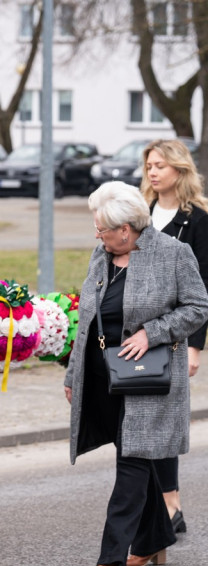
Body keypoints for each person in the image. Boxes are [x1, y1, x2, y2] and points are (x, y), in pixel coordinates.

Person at [64, 181, 208, 566]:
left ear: (127, 228)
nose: (98, 236)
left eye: (104, 230)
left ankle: (112, 560)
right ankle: (156, 536)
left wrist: (153, 332)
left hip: (150, 380)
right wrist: (74, 373)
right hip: (104, 376)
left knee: (131, 462)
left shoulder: (173, 254)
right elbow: (88, 321)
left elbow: (198, 307)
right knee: (134, 455)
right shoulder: (102, 255)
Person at [140, 139, 208, 534]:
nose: (152, 172)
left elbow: (204, 285)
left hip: (178, 333)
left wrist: (197, 344)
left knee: (164, 419)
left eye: (160, 165)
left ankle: (171, 502)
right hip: (140, 333)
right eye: (149, 165)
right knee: (142, 419)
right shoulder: (141, 212)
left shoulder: (197, 218)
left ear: (179, 170)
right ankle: (159, 502)